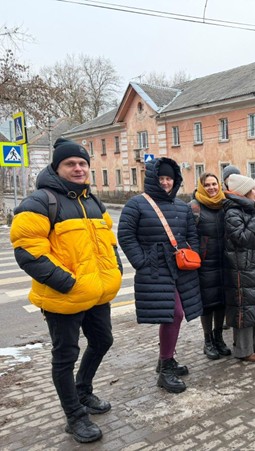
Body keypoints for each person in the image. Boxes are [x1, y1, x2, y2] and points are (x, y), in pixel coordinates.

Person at [11, 138, 122, 443]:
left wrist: (115, 269)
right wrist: (68, 283)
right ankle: (74, 416)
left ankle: (83, 391)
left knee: (103, 340)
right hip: (63, 297)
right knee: (65, 357)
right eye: (70, 163)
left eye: (82, 163)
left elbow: (109, 241)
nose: (78, 168)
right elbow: (28, 251)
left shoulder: (92, 201)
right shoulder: (40, 202)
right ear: (57, 167)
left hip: (97, 293)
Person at [118, 158, 202, 394]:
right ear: (152, 179)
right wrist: (141, 262)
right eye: (161, 178)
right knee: (174, 314)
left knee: (173, 314)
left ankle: (166, 359)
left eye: (169, 179)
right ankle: (165, 369)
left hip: (180, 268)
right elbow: (125, 236)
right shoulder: (136, 204)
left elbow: (191, 234)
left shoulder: (181, 206)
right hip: (155, 268)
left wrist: (192, 254)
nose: (165, 182)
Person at [222, 174, 255, 361]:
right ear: (243, 192)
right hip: (242, 268)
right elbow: (241, 239)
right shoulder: (233, 212)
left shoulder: (251, 209)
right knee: (245, 310)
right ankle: (244, 350)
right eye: (252, 189)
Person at [189, 172, 231, 360]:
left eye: (214, 184)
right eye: (207, 185)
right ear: (201, 187)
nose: (211, 188)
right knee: (207, 304)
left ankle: (219, 338)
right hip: (204, 264)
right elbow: (188, 235)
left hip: (225, 261)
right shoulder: (194, 207)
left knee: (221, 302)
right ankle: (208, 341)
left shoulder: (225, 205)